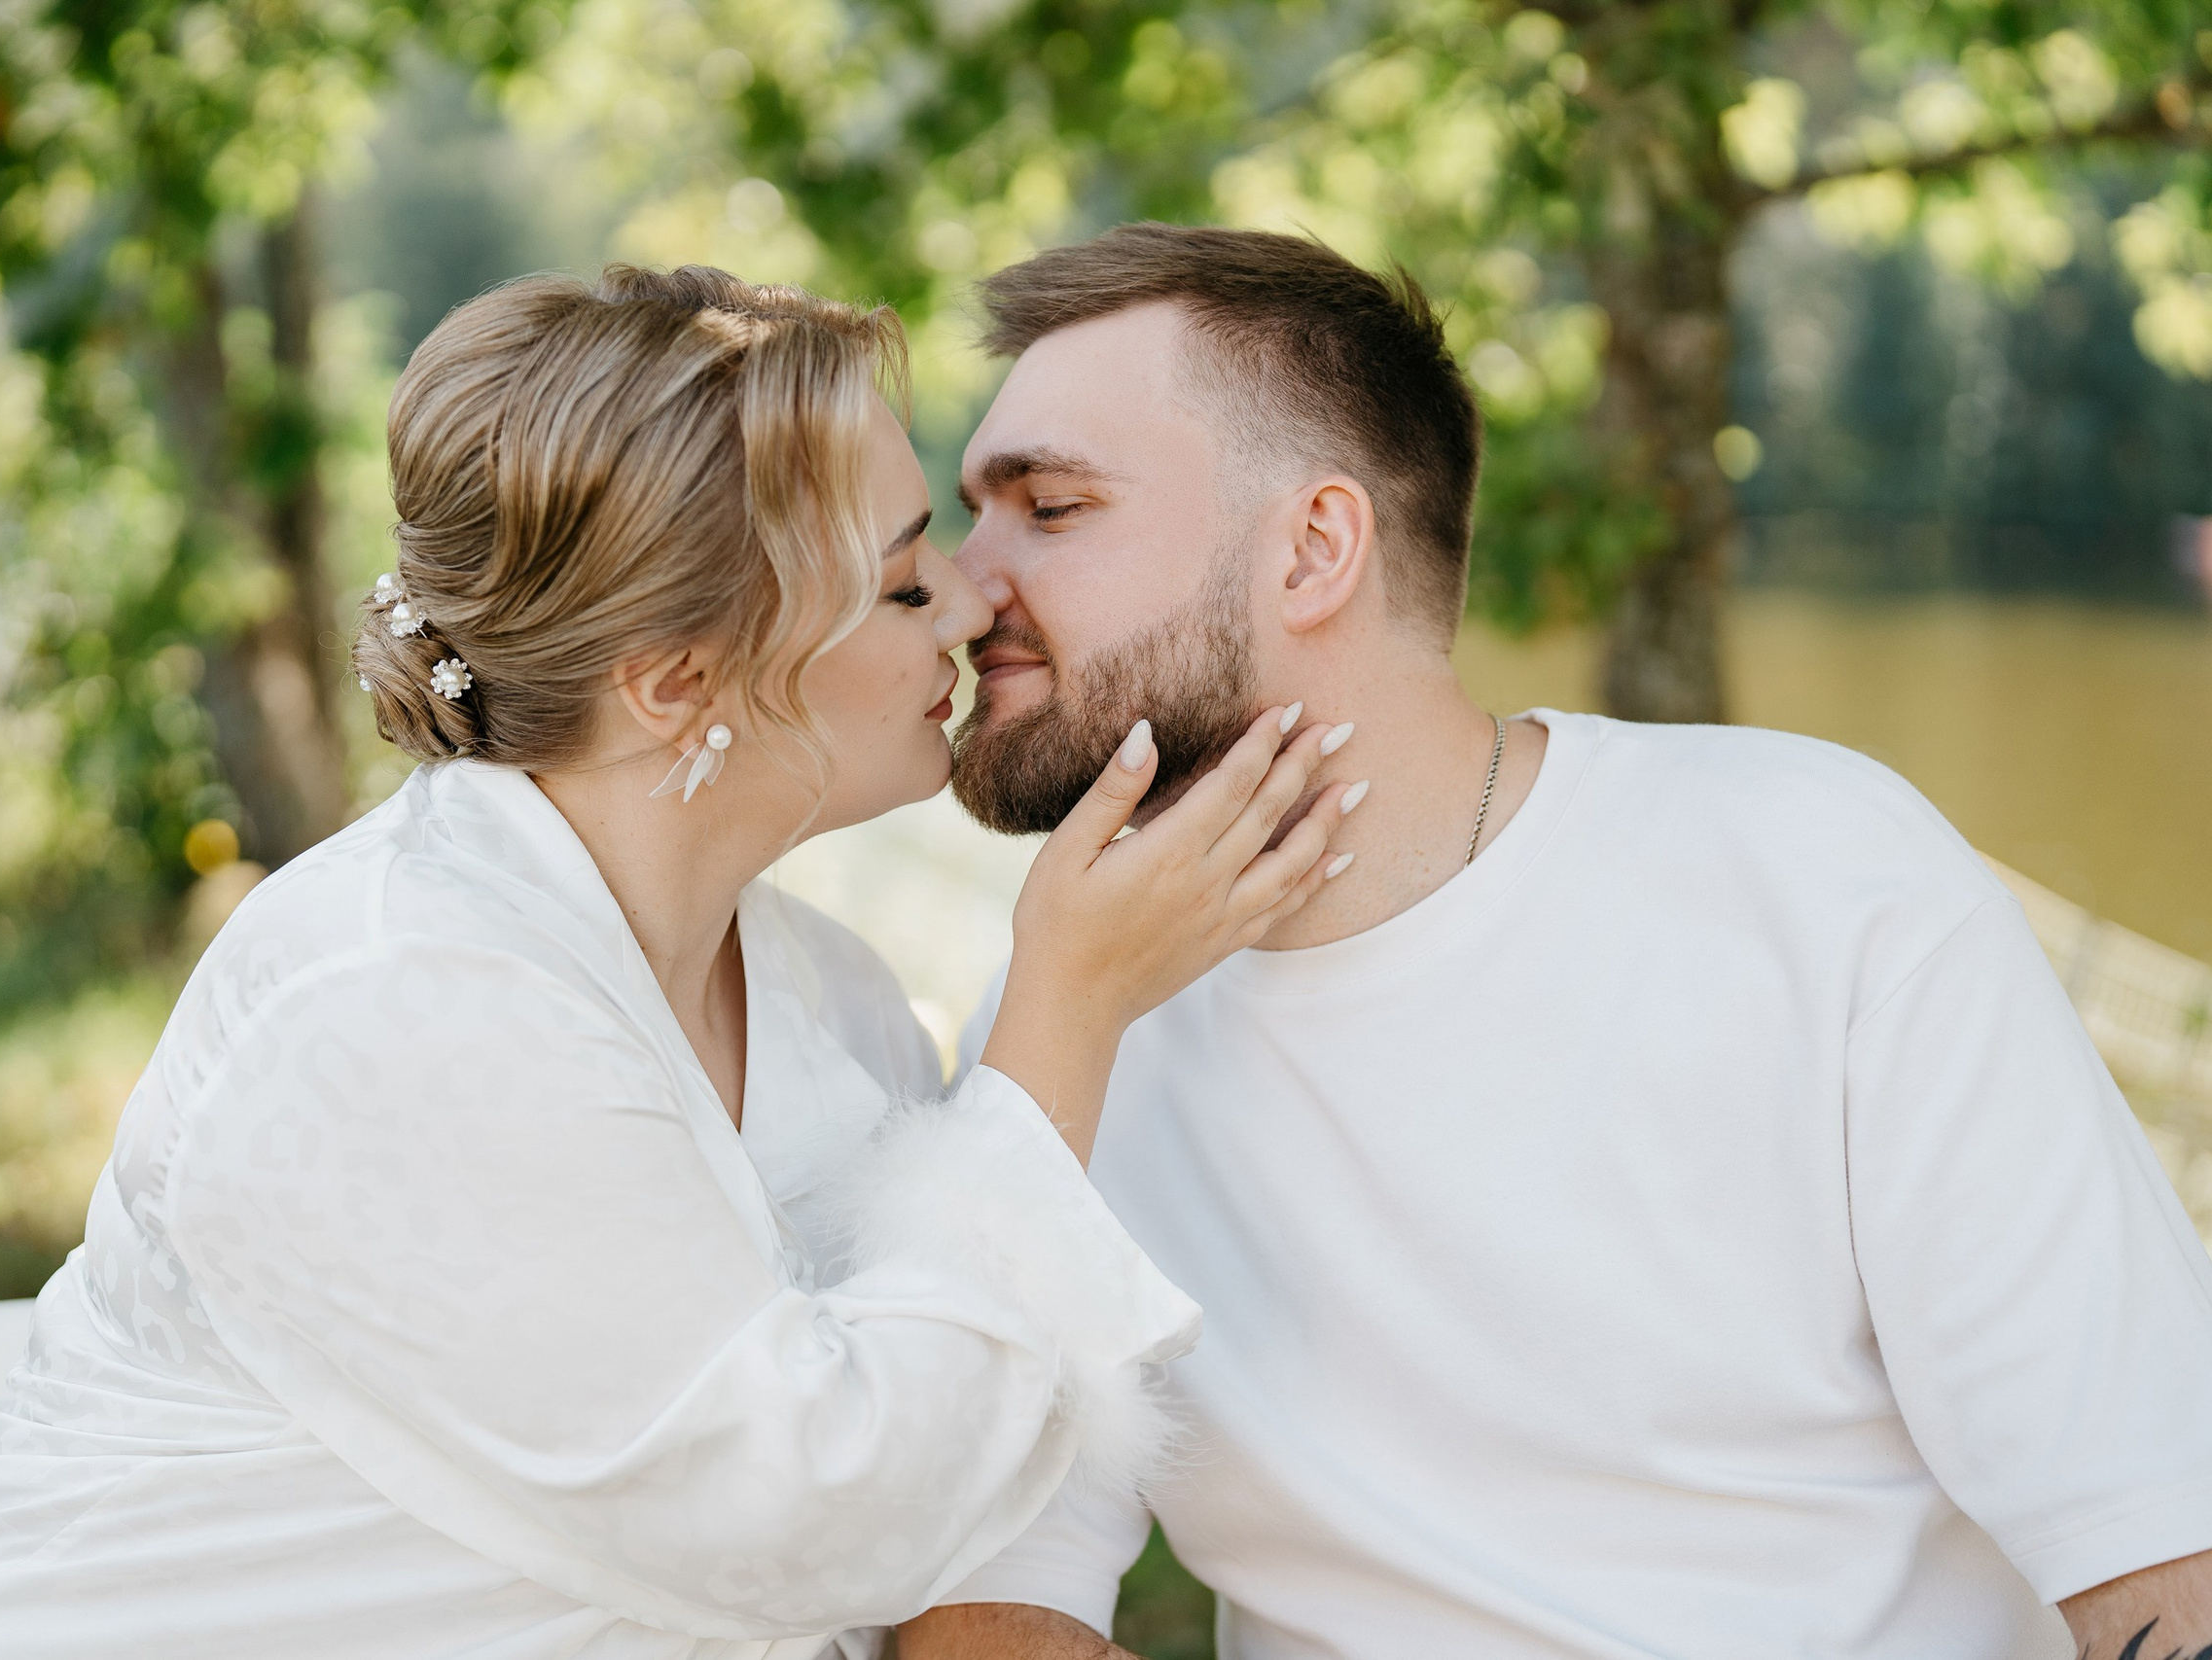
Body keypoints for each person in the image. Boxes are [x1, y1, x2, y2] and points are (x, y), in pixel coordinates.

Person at [0, 265, 1361, 1660]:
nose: (964, 612)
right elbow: (820, 1524)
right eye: (895, 578)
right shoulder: (397, 1007)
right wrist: (1070, 1007)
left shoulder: (837, 1002)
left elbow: (965, 1482)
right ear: (673, 680)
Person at [899, 224, 2212, 1660]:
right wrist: (1056, 1024)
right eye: (977, 513)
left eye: (1052, 507)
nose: (964, 590)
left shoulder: (1823, 881)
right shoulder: (1068, 1022)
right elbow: (993, 1603)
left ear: (1315, 549)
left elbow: (2154, 1540)